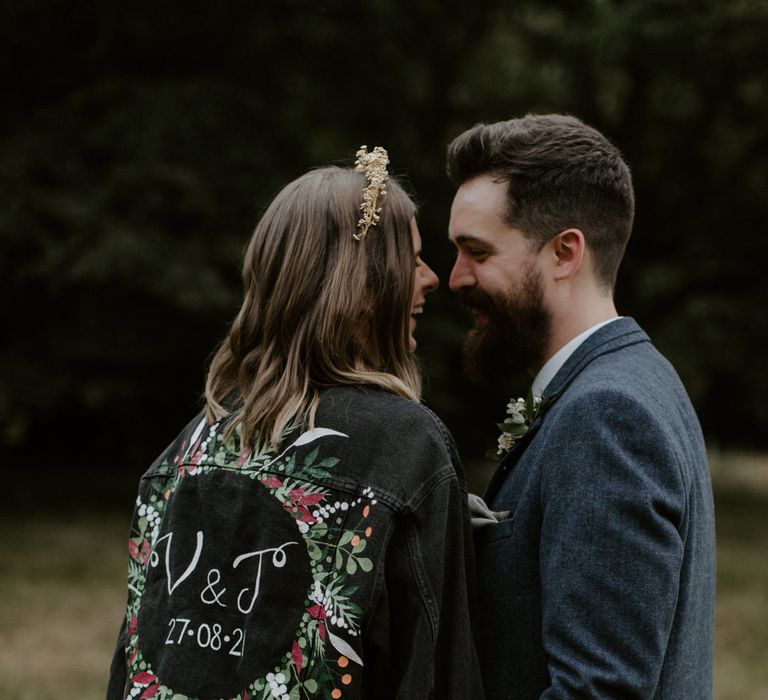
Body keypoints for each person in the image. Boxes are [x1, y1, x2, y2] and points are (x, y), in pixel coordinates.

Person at [107, 147, 484, 700]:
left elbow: (135, 671)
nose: (429, 279)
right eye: (413, 259)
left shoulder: (183, 451)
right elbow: (439, 674)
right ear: (362, 282)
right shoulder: (403, 448)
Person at [446, 115, 715, 698]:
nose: (455, 278)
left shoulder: (607, 415)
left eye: (477, 252)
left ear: (565, 252)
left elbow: (598, 691)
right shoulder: (637, 378)